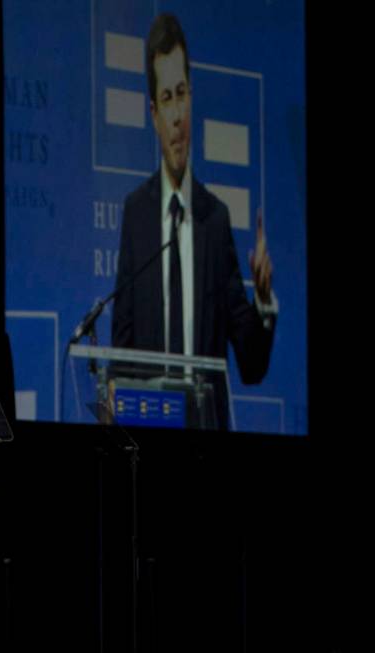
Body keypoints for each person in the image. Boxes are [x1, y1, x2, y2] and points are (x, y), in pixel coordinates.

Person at [111, 13, 277, 429]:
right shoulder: (138, 214)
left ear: (192, 100)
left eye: (181, 93)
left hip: (206, 437)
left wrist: (263, 300)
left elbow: (252, 365)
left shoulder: (214, 219)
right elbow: (123, 340)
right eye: (166, 98)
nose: (177, 116)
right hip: (147, 435)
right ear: (153, 113)